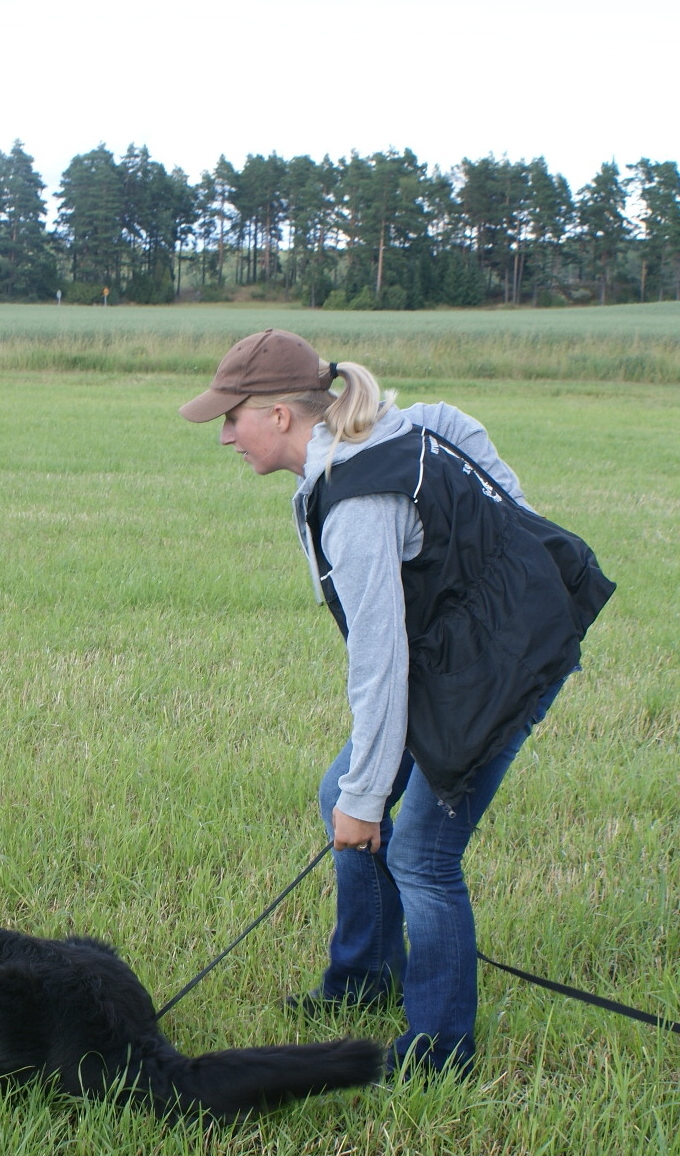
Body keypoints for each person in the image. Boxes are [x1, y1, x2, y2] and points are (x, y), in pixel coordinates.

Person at [179, 329, 614, 1078]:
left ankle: (439, 1052)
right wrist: (355, 796)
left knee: (420, 853)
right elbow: (448, 419)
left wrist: (368, 796)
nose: (223, 435)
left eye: (231, 418)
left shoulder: (355, 502)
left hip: (495, 674)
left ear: (280, 415)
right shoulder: (369, 441)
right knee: (339, 796)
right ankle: (361, 984)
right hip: (451, 664)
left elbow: (378, 667)